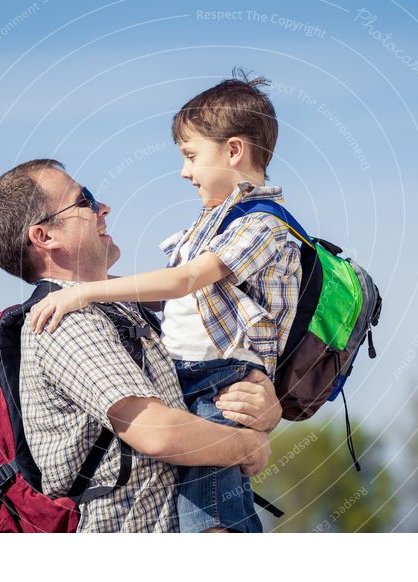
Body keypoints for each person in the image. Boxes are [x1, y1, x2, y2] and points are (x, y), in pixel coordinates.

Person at [29, 74, 302, 532]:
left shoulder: (260, 225)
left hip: (219, 378)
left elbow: (184, 281)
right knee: (202, 504)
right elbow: (175, 295)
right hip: (196, 375)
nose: (184, 171)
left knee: (209, 519)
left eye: (191, 156)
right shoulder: (216, 219)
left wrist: (86, 290)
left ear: (233, 151)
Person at [0, 158, 282, 533]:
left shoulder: (117, 309)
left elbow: (201, 403)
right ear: (44, 236)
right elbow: (157, 432)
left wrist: (260, 407)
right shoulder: (65, 321)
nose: (103, 208)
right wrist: (248, 446)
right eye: (84, 200)